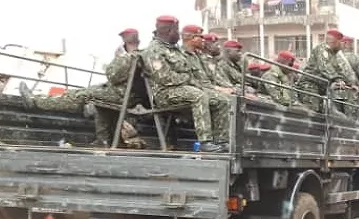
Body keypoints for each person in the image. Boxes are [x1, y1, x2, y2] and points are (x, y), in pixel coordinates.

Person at [141, 15, 230, 153]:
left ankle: (221, 141)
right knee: (199, 96)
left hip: (183, 89)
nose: (179, 34)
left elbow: (189, 75)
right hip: (164, 94)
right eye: (177, 30)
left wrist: (198, 84)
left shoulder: (174, 50)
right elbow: (165, 78)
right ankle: (205, 142)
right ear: (169, 30)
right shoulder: (153, 50)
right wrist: (186, 78)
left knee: (221, 100)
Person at [22, 27, 141, 114]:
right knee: (79, 92)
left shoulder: (130, 57)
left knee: (82, 95)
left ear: (125, 43)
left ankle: (35, 101)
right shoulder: (140, 56)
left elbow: (112, 76)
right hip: (125, 94)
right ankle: (39, 98)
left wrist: (118, 58)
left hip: (124, 96)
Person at [296, 29, 359, 113]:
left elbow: (339, 71)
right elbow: (325, 66)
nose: (342, 46)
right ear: (335, 41)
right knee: (312, 111)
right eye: (341, 42)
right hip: (309, 85)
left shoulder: (334, 55)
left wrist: (351, 84)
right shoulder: (322, 49)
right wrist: (337, 79)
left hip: (321, 87)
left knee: (321, 112)